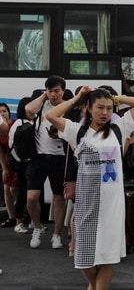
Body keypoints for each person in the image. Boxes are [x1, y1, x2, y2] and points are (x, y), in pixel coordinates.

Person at [45, 86, 134, 290]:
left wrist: (115, 98)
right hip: (87, 204)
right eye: (100, 107)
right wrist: (78, 98)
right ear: (89, 108)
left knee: (107, 257)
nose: (105, 113)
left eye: (109, 108)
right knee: (85, 258)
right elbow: (51, 115)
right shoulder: (77, 130)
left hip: (112, 205)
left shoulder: (120, 128)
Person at [25, 75, 70, 249]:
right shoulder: (43, 104)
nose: (53, 94)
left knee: (59, 197)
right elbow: (29, 110)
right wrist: (43, 96)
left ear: (63, 91)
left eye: (57, 91)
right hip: (38, 156)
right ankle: (37, 227)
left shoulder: (68, 107)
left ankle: (57, 234)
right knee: (31, 198)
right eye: (50, 91)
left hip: (60, 157)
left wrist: (58, 134)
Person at [8, 97, 34, 234]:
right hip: (22, 163)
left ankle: (32, 221)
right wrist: (22, 161)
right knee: (23, 193)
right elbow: (12, 145)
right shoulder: (18, 124)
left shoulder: (34, 122)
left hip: (31, 162)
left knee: (33, 193)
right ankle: (18, 222)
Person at [0, 103, 18, 229]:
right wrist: (4, 168)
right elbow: (0, 151)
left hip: (18, 161)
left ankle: (23, 212)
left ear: (9, 113)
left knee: (14, 189)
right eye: (0, 112)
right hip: (7, 161)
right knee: (6, 189)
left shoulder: (15, 125)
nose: (2, 114)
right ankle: (11, 217)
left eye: (4, 111)